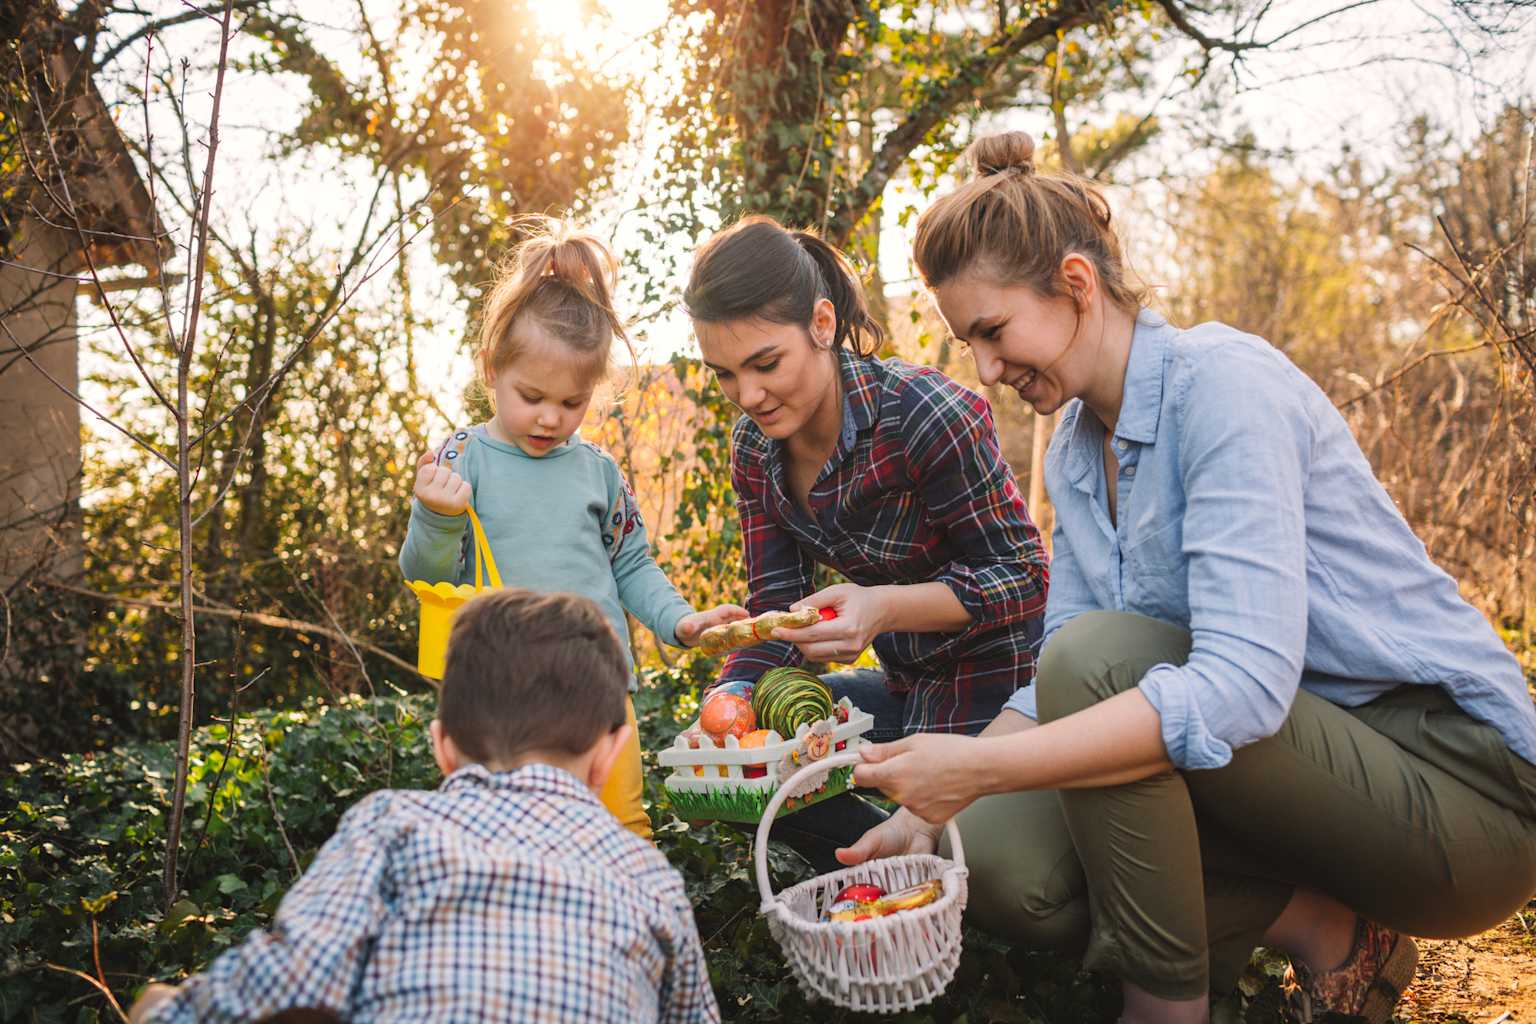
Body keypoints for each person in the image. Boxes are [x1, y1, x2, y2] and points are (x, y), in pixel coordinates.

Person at [837, 130, 1536, 1024]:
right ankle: (1324, 928)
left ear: (1077, 286)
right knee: (1004, 861)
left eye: (993, 331)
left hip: (1453, 796)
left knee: (1104, 665)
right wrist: (944, 803)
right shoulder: (1081, 454)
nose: (986, 368)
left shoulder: (1224, 389)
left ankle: (1165, 1008)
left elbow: (1238, 684)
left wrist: (978, 758)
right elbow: (1060, 669)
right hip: (1290, 782)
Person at [129, 588, 721, 1023]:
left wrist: (165, 1010)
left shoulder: (393, 825)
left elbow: (291, 980)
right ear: (610, 755)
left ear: (442, 747)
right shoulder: (649, 878)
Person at [681, 215, 1050, 866]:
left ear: (822, 325)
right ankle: (886, 872)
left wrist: (881, 607)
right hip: (905, 689)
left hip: (1001, 693)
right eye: (726, 375)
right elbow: (775, 609)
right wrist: (727, 703)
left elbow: (1024, 577)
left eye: (766, 364)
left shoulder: (925, 416)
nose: (750, 396)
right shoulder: (753, 452)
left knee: (989, 867)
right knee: (750, 774)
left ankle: (937, 868)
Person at [399, 219, 745, 840]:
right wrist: (436, 516)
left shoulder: (599, 474)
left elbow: (632, 566)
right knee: (506, 841)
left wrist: (680, 621)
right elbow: (427, 578)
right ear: (490, 370)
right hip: (498, 695)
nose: (550, 418)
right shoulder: (461, 460)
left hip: (598, 688)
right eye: (531, 396)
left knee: (621, 827)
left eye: (572, 403)